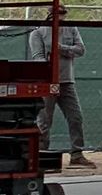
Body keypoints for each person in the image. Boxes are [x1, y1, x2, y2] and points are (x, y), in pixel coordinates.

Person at [27, 10, 92, 169]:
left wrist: (60, 48)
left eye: (63, 14)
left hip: (66, 82)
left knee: (76, 116)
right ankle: (42, 154)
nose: (61, 17)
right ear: (50, 15)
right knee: (44, 120)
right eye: (58, 14)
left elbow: (80, 49)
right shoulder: (38, 33)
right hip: (47, 83)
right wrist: (50, 70)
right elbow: (38, 57)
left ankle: (77, 154)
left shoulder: (71, 28)